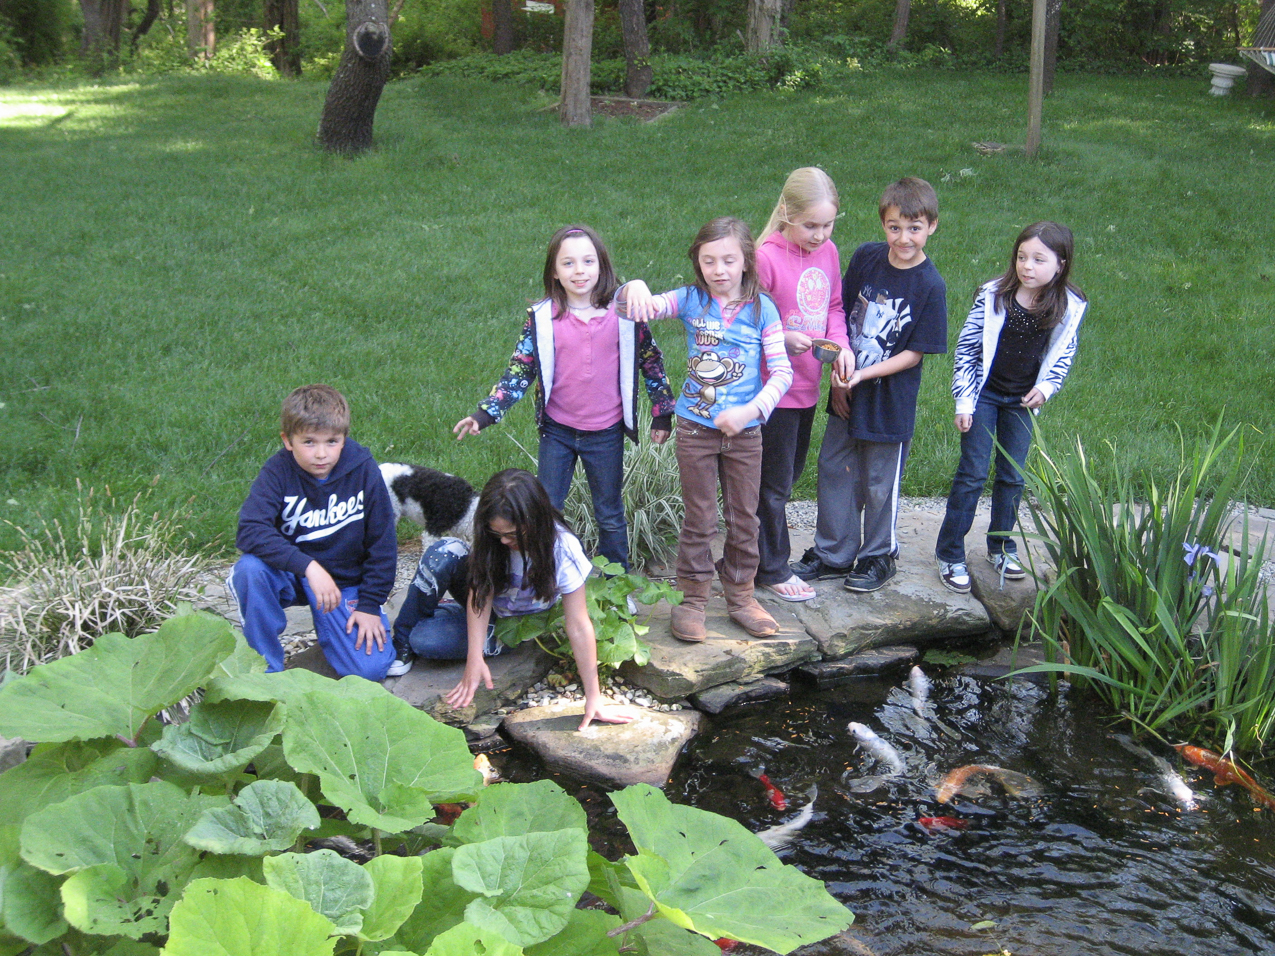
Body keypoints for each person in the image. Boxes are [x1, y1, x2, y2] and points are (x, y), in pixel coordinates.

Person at [453, 225, 675, 572]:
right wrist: (485, 414)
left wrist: (662, 413)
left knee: (610, 513)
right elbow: (520, 370)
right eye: (568, 263)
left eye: (588, 261)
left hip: (606, 433)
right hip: (557, 432)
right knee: (547, 509)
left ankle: (617, 582)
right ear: (554, 272)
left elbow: (651, 361)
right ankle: (545, 578)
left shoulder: (625, 315)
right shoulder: (542, 318)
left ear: (601, 265)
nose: (579, 270)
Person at [620, 217, 793, 642]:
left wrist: (750, 410)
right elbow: (632, 306)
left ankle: (741, 597)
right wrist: (635, 286)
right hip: (696, 429)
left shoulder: (762, 309)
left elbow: (782, 373)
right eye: (709, 260)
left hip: (746, 434)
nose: (719, 270)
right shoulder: (691, 300)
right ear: (698, 263)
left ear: (746, 261)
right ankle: (692, 600)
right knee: (699, 518)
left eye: (729, 260)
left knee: (743, 519)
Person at [793, 177, 948, 593]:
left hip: (889, 401)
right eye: (895, 226)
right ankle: (833, 552)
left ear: (931, 226)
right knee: (834, 467)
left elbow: (913, 354)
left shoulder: (930, 285)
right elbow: (839, 314)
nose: (904, 237)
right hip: (846, 386)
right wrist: (838, 378)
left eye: (914, 228)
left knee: (881, 480)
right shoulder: (866, 258)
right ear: (883, 224)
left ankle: (879, 556)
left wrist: (860, 375)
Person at [417, 469, 636, 731]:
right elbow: (480, 590)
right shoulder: (493, 539)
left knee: (425, 640)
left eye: (512, 534)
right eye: (498, 534)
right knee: (439, 565)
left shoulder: (563, 548)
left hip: (517, 624)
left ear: (535, 520)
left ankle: (443, 621)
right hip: (489, 609)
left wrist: (593, 697)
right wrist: (474, 658)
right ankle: (408, 639)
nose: (505, 541)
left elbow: (578, 624)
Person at [935, 221, 1087, 592]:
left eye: (1038, 259)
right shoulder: (993, 297)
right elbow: (967, 351)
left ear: (1061, 264)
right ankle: (950, 552)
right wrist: (964, 400)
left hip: (1021, 402)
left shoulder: (1068, 307)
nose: (1027, 266)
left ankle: (1001, 545)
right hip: (984, 396)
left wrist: (1048, 387)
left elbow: (1063, 355)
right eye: (1021, 257)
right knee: (972, 473)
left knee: (1013, 475)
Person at [230, 384, 397, 680]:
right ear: (288, 440)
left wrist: (370, 604)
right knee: (250, 570)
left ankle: (336, 631)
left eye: (332, 442)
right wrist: (308, 567)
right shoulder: (277, 472)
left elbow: (382, 543)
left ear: (344, 439)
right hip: (292, 575)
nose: (321, 454)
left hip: (344, 581)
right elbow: (250, 530)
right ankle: (265, 671)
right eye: (309, 442)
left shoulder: (363, 469)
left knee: (369, 670)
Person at [754, 167, 852, 603]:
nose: (819, 235)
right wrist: (782, 337)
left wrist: (842, 345)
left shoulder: (828, 252)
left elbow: (833, 304)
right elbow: (747, 320)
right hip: (773, 387)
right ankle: (772, 568)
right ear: (786, 214)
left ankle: (753, 554)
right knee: (773, 484)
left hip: (807, 383)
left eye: (828, 225)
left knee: (787, 476)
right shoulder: (765, 257)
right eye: (810, 225)